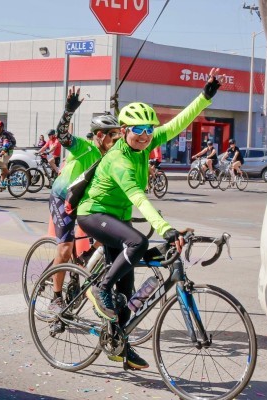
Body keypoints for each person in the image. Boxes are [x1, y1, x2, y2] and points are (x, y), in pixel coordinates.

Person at [78, 68, 221, 370]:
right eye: (138, 130)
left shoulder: (144, 145)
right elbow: (138, 198)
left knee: (128, 294)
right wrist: (165, 229)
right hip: (93, 214)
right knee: (138, 242)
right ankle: (100, 288)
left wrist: (205, 97)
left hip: (116, 219)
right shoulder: (119, 159)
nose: (145, 136)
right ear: (124, 129)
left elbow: (180, 121)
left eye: (148, 130)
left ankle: (119, 346)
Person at [45, 88, 120, 314]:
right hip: (62, 197)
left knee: (113, 230)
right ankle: (56, 298)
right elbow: (62, 135)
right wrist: (69, 111)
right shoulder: (84, 147)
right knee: (66, 247)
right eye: (113, 135)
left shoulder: (112, 156)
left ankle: (87, 258)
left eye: (118, 134)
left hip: (86, 203)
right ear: (99, 135)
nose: (117, 139)